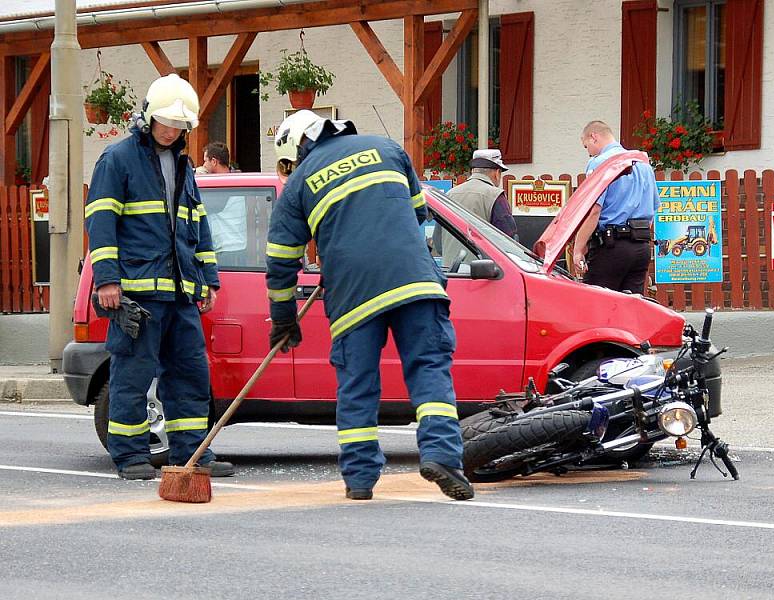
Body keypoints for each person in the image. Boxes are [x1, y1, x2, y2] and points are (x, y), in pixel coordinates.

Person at [266, 110, 474, 502]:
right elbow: (417, 215)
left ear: (297, 148)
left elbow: (280, 260)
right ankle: (443, 456)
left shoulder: (298, 185)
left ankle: (360, 479)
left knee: (357, 384)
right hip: (414, 281)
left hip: (353, 295)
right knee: (429, 368)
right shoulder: (387, 148)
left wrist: (284, 319)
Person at [85, 73, 234, 480]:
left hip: (181, 292)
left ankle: (192, 454)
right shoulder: (118, 160)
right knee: (133, 375)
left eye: (179, 126)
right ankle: (130, 456)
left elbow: (198, 225)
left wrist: (209, 278)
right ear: (147, 117)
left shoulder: (184, 166)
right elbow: (100, 222)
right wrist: (107, 280)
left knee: (190, 375)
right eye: (166, 123)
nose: (171, 131)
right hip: (136, 293)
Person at [573, 120, 659, 293]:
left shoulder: (600, 163)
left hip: (611, 247)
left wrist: (578, 248)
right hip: (641, 247)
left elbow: (594, 210)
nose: (588, 153)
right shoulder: (643, 163)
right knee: (631, 310)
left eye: (586, 146)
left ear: (594, 136)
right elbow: (653, 208)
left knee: (596, 307)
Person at [447, 149, 517, 238]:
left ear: (473, 171)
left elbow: (437, 240)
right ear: (497, 173)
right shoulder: (495, 196)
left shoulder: (450, 195)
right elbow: (508, 236)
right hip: (481, 252)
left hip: (450, 252)